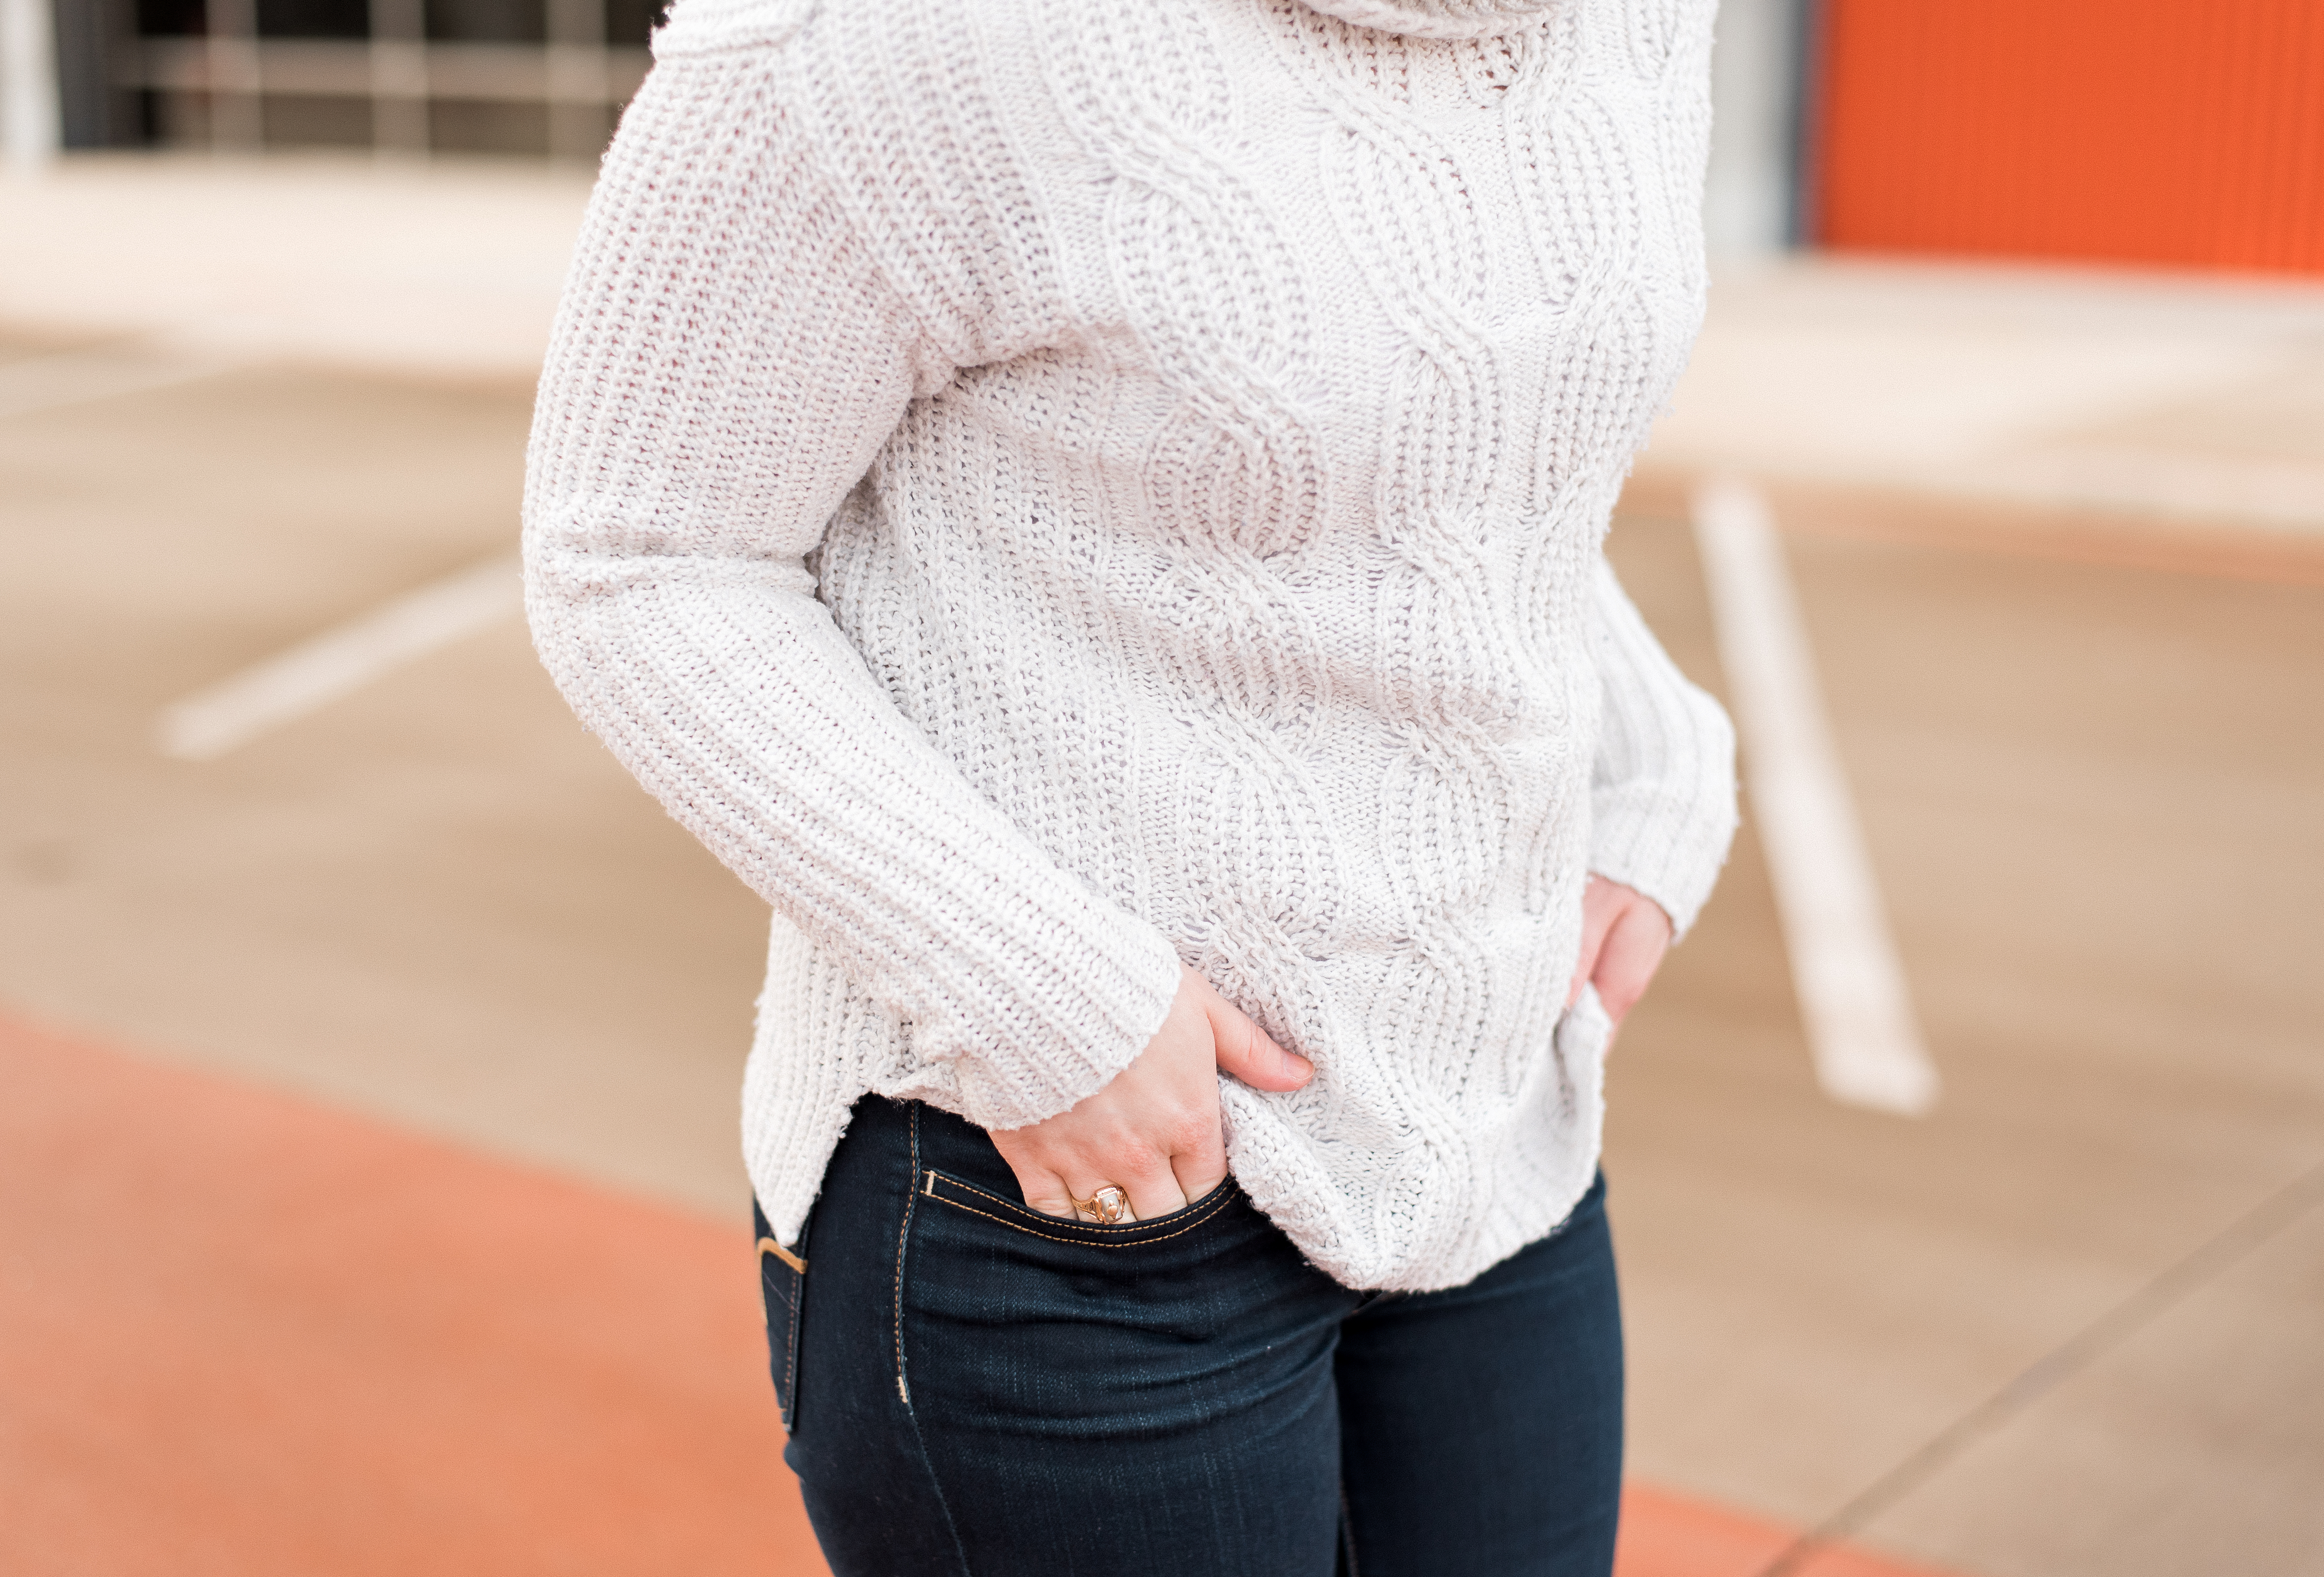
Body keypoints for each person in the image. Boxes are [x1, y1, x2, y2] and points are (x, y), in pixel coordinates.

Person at [523, 0, 1737, 1569]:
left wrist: (1649, 753)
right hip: (1058, 1177)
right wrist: (1044, 992)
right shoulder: (880, 36)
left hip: (1487, 1128)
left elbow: (1467, 437)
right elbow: (638, 551)